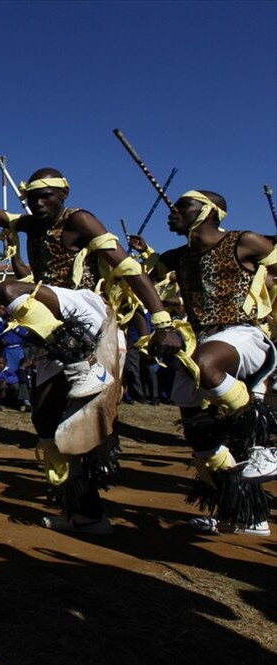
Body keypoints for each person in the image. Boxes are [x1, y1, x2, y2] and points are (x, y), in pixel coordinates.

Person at [0, 156, 181, 533]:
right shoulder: (28, 224)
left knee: (9, 289)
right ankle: (86, 512)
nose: (36, 201)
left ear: (63, 194)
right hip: (54, 326)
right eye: (31, 196)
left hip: (84, 307)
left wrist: (161, 320)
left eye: (46, 195)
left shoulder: (79, 219)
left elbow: (127, 266)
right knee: (46, 422)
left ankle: (82, 366)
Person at [156, 190, 277, 534]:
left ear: (209, 212)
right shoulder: (176, 257)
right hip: (200, 343)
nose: (172, 210)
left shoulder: (245, 241)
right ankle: (244, 512)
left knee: (206, 363)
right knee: (201, 437)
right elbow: (137, 278)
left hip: (243, 335)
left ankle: (269, 442)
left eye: (182, 205)